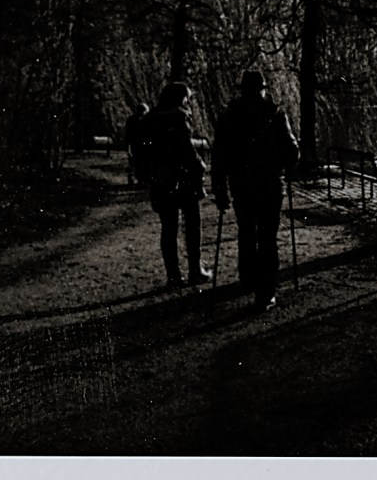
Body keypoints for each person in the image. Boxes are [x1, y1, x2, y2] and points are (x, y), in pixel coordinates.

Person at [210, 70, 299, 311]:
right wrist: (289, 163)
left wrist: (219, 189)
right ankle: (266, 292)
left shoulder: (229, 117)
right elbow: (291, 151)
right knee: (267, 237)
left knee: (246, 231)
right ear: (263, 89)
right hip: (269, 185)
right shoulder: (275, 114)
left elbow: (219, 157)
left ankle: (248, 277)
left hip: (241, 185)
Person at [141, 82, 210, 288]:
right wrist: (200, 165)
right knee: (192, 224)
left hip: (161, 180)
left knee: (168, 228)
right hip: (183, 178)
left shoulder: (150, 119)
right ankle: (195, 270)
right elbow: (185, 149)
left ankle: (173, 275)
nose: (188, 101)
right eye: (187, 97)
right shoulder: (179, 117)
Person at [125, 102, 150, 186]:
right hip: (140, 144)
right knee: (140, 162)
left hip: (136, 144)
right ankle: (140, 179)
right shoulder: (144, 120)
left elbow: (127, 134)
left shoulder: (131, 120)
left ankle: (138, 179)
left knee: (136, 162)